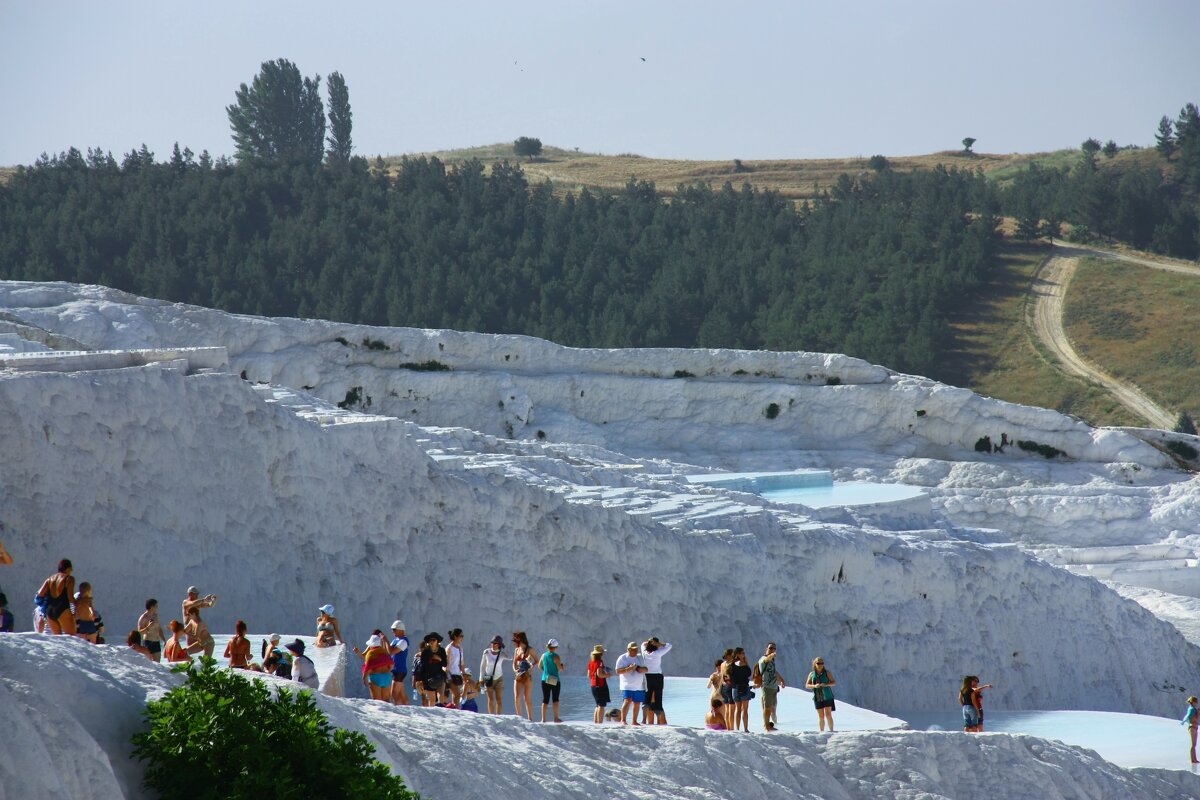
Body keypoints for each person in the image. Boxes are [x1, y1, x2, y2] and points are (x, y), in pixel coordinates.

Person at [36, 558, 76, 635]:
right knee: (72, 638)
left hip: (49, 610)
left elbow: (40, 595)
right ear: (69, 568)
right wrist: (79, 603)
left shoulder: (49, 579)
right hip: (62, 608)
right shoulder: (69, 579)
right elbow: (70, 598)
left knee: (58, 640)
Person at [640, 637, 672, 725]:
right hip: (657, 676)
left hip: (647, 676)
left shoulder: (644, 652)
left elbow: (643, 644)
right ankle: (658, 721)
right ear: (656, 645)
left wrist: (650, 642)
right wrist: (659, 644)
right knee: (658, 697)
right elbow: (669, 645)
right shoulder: (658, 653)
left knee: (646, 698)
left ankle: (643, 720)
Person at [615, 641, 648, 725]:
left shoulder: (640, 657)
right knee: (627, 701)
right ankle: (623, 720)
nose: (636, 651)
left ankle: (634, 721)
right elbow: (617, 671)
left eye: (636, 649)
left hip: (639, 685)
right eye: (634, 649)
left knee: (637, 703)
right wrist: (628, 669)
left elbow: (646, 669)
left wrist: (639, 669)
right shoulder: (622, 658)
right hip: (627, 685)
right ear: (628, 649)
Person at [756, 642, 786, 731]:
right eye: (770, 648)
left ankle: (771, 725)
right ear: (766, 649)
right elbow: (767, 659)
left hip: (773, 687)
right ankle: (766, 726)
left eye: (774, 648)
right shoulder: (763, 659)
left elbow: (774, 671)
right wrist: (772, 655)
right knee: (767, 707)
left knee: (772, 708)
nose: (772, 649)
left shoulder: (772, 661)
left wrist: (781, 679)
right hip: (767, 686)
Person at [356, 633, 394, 701]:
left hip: (376, 677)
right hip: (387, 677)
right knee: (387, 702)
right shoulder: (384, 652)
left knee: (377, 702)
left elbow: (367, 667)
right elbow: (391, 664)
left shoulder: (370, 653)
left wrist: (364, 678)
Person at [479, 634, 509, 714]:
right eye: (492, 642)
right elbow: (482, 666)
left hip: (499, 678)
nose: (493, 644)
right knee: (490, 699)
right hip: (488, 677)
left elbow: (511, 657)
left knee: (499, 700)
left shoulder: (502, 654)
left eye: (495, 643)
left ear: (499, 645)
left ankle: (498, 717)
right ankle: (491, 716)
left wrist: (506, 651)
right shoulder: (486, 652)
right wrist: (481, 679)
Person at [512, 630, 537, 721]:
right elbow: (514, 663)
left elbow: (537, 661)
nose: (514, 643)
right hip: (518, 675)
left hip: (527, 676)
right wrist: (515, 670)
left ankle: (530, 718)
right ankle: (520, 718)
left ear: (520, 640)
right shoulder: (516, 650)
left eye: (515, 641)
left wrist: (531, 668)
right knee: (517, 698)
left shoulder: (530, 650)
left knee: (527, 698)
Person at [806, 657, 836, 732]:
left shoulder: (827, 673)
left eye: (822, 663)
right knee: (821, 716)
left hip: (827, 696)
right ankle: (822, 732)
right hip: (817, 697)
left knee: (828, 714)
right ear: (815, 664)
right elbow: (807, 685)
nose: (820, 665)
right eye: (818, 663)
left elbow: (833, 682)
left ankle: (831, 731)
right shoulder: (812, 674)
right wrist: (814, 686)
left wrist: (826, 685)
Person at [419, 632, 448, 705]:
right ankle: (432, 715)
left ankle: (440, 714)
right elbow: (422, 666)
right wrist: (420, 680)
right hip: (428, 678)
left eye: (433, 640)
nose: (431, 641)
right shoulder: (425, 652)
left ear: (437, 641)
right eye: (430, 640)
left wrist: (439, 659)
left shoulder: (442, 650)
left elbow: (445, 664)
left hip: (440, 676)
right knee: (432, 700)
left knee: (441, 696)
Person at [540, 638, 565, 723]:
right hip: (554, 679)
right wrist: (562, 667)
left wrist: (546, 671)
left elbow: (540, 666)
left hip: (545, 678)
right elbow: (559, 668)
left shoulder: (543, 655)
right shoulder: (556, 656)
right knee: (555, 699)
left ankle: (543, 719)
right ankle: (556, 718)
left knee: (545, 699)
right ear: (555, 647)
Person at [728, 647, 753, 732]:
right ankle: (745, 728)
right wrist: (746, 662)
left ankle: (737, 728)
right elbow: (749, 673)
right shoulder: (743, 664)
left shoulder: (731, 665)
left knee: (738, 709)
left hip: (735, 689)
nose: (744, 654)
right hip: (744, 687)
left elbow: (729, 676)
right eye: (742, 653)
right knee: (745, 710)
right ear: (738, 654)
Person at [588, 644, 612, 724]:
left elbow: (589, 675)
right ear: (600, 654)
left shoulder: (591, 662)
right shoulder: (600, 662)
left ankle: (596, 722)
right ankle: (599, 723)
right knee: (601, 705)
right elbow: (599, 674)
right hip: (600, 685)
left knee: (597, 705)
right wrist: (608, 675)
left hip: (593, 685)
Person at [388, 621, 410, 705]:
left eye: (394, 629)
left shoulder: (403, 641)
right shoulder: (395, 640)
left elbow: (392, 651)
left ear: (400, 629)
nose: (393, 631)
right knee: (401, 694)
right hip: (396, 669)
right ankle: (408, 709)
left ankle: (399, 710)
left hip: (399, 670)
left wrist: (385, 639)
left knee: (394, 694)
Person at [446, 628, 466, 705]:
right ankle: (457, 709)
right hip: (450, 674)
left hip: (457, 674)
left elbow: (462, 663)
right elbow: (447, 663)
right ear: (455, 637)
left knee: (455, 695)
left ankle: (454, 710)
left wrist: (464, 674)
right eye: (461, 636)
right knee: (457, 694)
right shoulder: (449, 648)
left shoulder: (460, 648)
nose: (462, 638)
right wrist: (447, 675)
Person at [718, 649, 736, 729]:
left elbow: (722, 677)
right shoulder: (732, 664)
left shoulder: (722, 664)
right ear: (729, 655)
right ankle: (731, 728)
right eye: (733, 654)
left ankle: (728, 728)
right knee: (732, 710)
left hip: (723, 687)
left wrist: (720, 689)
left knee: (727, 710)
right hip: (730, 687)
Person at [1182, 695, 1199, 763]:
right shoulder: (1192, 709)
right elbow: (1192, 718)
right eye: (1196, 702)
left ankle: (1194, 759)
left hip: (1194, 727)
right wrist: (1198, 714)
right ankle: (1193, 759)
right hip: (1192, 727)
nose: (1197, 703)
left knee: (1194, 744)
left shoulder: (1192, 709)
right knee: (1193, 744)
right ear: (1193, 702)